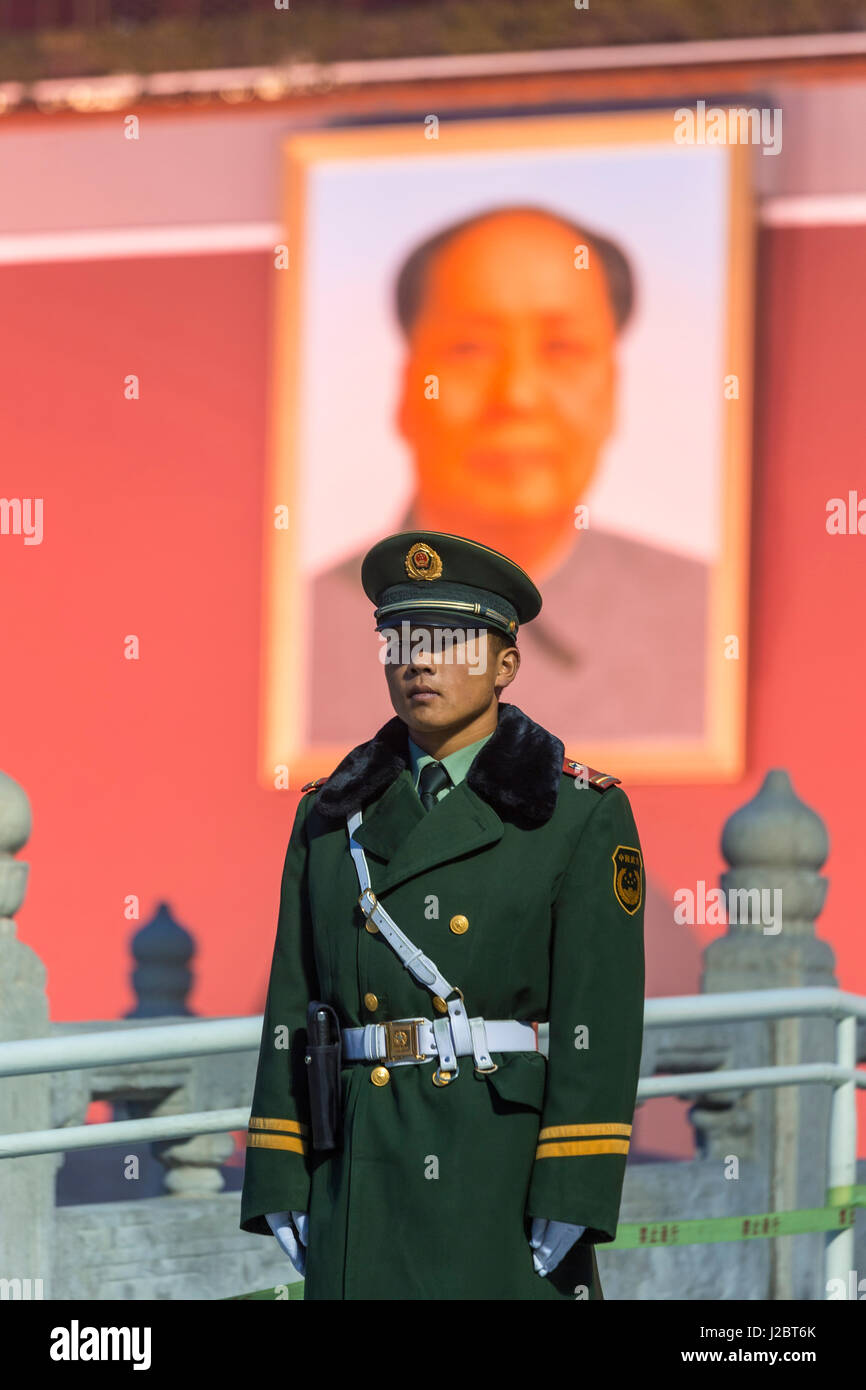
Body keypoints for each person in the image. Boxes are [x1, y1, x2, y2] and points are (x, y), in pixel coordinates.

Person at [241, 530, 646, 1300]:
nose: (419, 660)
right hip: (358, 1171)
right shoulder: (332, 818)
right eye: (401, 639)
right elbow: (292, 1008)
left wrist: (576, 1186)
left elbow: (603, 1019)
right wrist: (279, 1171)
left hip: (499, 1173)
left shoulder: (573, 816)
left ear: (505, 664)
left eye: (450, 641)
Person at [310, 205, 708, 747]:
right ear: (406, 390)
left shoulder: (705, 621)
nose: (516, 395)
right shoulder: (299, 632)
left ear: (613, 391)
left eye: (562, 348)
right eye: (469, 348)